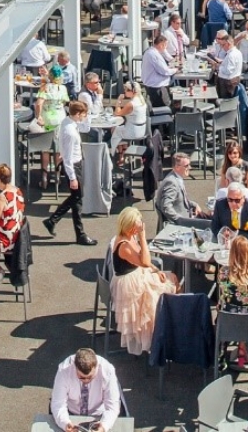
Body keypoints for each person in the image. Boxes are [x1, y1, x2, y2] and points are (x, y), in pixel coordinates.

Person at [109, 207, 177, 355]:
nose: (137, 228)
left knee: (172, 278)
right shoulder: (124, 245)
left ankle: (171, 324)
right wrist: (143, 236)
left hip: (137, 274)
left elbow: (144, 262)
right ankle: (164, 332)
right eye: (135, 226)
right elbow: (145, 261)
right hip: (131, 284)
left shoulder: (129, 237)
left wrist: (156, 270)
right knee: (165, 290)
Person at [43, 101, 96, 246]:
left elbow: (85, 128)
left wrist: (88, 115)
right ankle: (54, 220)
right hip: (73, 166)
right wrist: (72, 177)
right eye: (83, 114)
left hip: (75, 163)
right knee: (78, 196)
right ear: (78, 114)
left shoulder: (69, 122)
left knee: (77, 200)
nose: (84, 116)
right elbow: (67, 158)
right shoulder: (70, 132)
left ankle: (78, 233)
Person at [218, 235, 248, 367]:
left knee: (228, 307)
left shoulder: (224, 273)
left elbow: (223, 292)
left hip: (230, 323)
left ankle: (225, 356)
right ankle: (243, 347)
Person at [50, 348, 121, 432]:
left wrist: (104, 426)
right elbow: (58, 404)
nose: (86, 380)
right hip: (71, 414)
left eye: (90, 377)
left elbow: (112, 406)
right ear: (75, 367)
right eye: (82, 377)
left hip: (98, 416)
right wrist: (65, 423)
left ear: (96, 366)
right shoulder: (64, 370)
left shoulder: (108, 371)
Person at [155, 151, 210, 225]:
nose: (189, 167)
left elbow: (180, 201)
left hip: (187, 214)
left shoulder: (177, 177)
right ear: (177, 167)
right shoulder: (171, 183)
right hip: (182, 222)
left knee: (212, 218)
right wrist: (180, 220)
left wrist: (194, 205)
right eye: (186, 165)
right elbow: (166, 207)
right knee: (211, 225)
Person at [141, 37, 174, 111]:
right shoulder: (154, 54)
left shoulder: (150, 52)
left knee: (159, 107)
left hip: (153, 86)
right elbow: (165, 71)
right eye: (165, 45)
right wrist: (176, 70)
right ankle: (166, 121)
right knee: (166, 108)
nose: (166, 48)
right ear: (161, 45)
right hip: (158, 87)